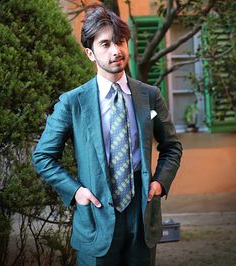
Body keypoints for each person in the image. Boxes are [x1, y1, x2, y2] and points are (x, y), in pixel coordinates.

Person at [32, 6, 182, 266]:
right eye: (105, 44)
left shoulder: (150, 96)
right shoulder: (73, 102)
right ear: (90, 53)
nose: (116, 51)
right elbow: (43, 157)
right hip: (96, 214)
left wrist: (159, 183)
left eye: (121, 41)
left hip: (142, 214)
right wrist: (76, 191)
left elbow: (171, 147)